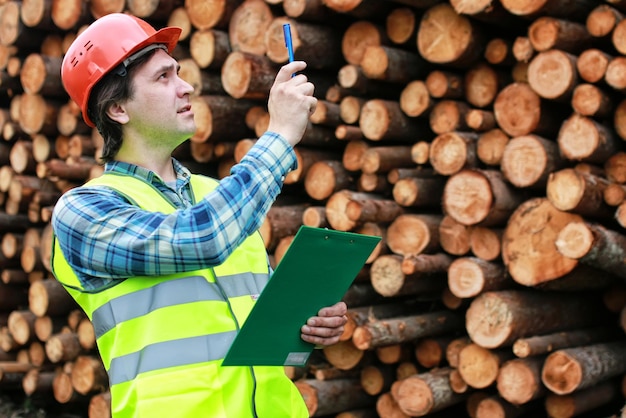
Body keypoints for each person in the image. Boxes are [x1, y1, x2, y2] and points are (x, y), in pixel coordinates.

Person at [50, 13, 348, 418]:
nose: (186, 86)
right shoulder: (84, 211)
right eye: (163, 78)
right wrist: (279, 136)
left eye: (180, 73)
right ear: (118, 108)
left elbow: (247, 320)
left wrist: (307, 324)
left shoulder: (216, 195)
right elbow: (201, 240)